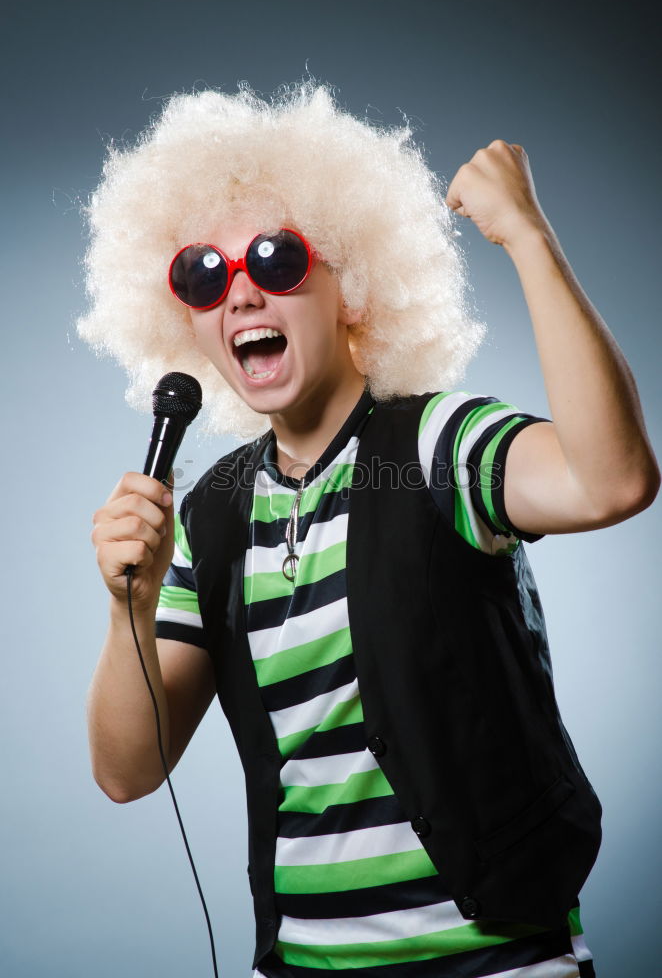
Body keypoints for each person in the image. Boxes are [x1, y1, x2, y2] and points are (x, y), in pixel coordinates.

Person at [81, 81, 659, 978]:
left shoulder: (436, 443)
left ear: (351, 286)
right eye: (203, 274)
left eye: (275, 260)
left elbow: (613, 480)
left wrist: (529, 241)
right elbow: (127, 772)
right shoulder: (211, 514)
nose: (238, 295)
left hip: (499, 961)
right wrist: (133, 609)